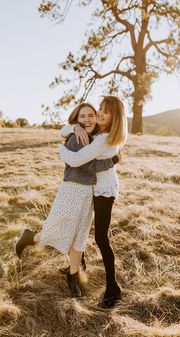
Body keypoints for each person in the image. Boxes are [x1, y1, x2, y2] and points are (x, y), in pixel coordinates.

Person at [14, 102, 119, 298]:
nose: (87, 119)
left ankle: (73, 276)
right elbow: (83, 166)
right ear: (76, 119)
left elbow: (98, 152)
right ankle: (30, 237)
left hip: (89, 192)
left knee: (79, 235)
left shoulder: (94, 137)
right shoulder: (75, 138)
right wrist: (111, 161)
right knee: (58, 228)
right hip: (72, 189)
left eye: (91, 115)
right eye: (82, 117)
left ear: (96, 118)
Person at [59, 95, 127, 308]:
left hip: (104, 191)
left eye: (106, 112)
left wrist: (60, 149)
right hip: (91, 187)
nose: (99, 114)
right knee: (81, 226)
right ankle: (77, 265)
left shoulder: (104, 139)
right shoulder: (98, 132)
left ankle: (113, 288)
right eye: (100, 109)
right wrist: (74, 129)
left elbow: (76, 160)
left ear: (115, 118)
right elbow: (63, 129)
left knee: (101, 238)